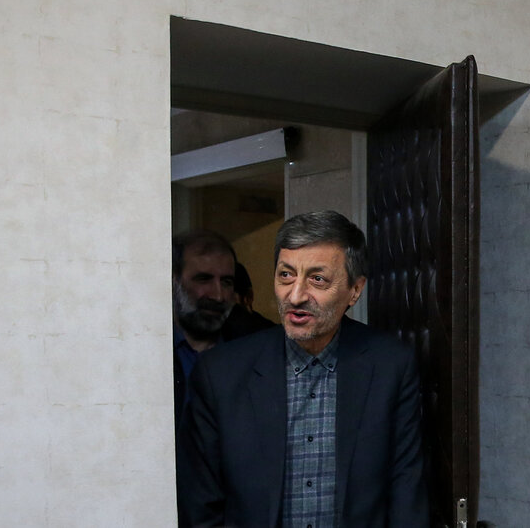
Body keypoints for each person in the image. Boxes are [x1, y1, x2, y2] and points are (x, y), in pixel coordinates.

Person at [176, 210, 428, 528]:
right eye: (286, 275)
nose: (295, 296)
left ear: (355, 289)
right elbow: (199, 505)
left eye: (317, 279)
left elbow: (407, 493)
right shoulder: (220, 374)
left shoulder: (390, 367)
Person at [172, 231, 271, 426]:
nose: (218, 295)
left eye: (226, 282)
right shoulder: (147, 347)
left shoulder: (256, 348)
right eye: (203, 279)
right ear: (175, 281)